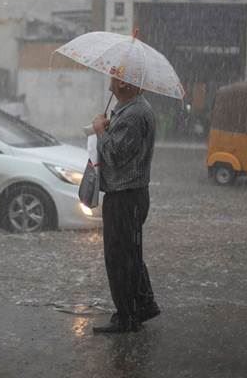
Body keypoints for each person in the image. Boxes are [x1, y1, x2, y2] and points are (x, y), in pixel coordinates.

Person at [91, 76, 160, 334]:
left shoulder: (134, 114)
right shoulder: (132, 109)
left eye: (115, 74)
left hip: (124, 197)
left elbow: (115, 155)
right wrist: (107, 126)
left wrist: (100, 131)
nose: (110, 76)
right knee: (130, 254)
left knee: (119, 257)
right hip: (129, 195)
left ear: (123, 84)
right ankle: (143, 305)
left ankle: (126, 317)